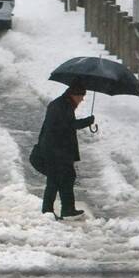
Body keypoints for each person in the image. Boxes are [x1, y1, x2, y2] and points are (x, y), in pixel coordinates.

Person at [36, 80, 95, 219]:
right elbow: (69, 125)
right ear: (74, 95)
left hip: (59, 150)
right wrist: (87, 121)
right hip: (55, 150)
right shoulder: (62, 106)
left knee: (67, 178)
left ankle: (67, 209)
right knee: (54, 180)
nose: (82, 99)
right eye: (81, 96)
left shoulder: (64, 104)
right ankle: (48, 211)